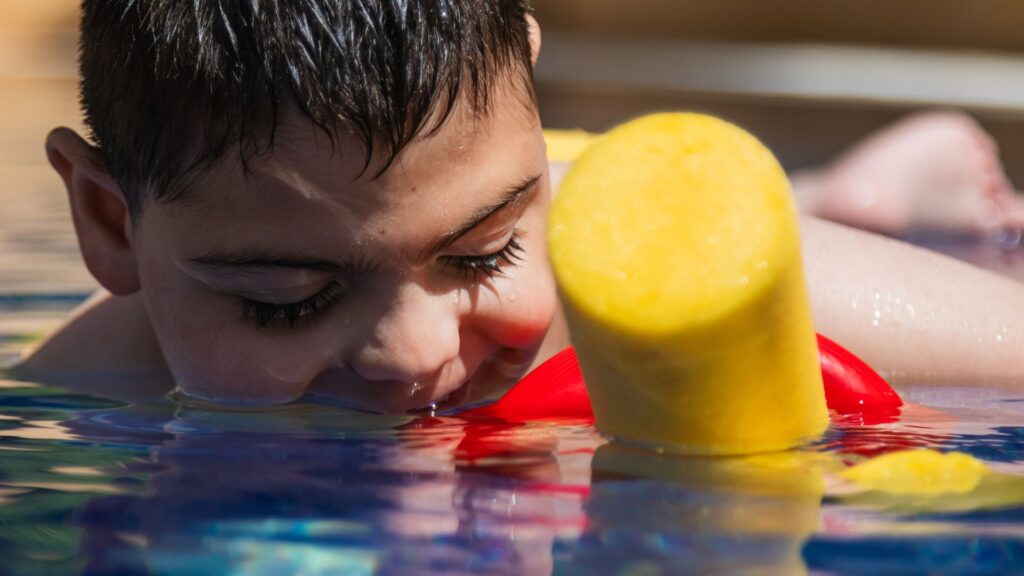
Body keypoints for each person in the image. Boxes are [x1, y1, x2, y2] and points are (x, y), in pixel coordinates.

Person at [12, 1, 1024, 411]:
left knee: (715, 221)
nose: (411, 357)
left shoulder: (640, 289)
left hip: (603, 196)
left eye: (479, 258)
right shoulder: (99, 376)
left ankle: (859, 193)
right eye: (286, 300)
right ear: (112, 225)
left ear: (525, 110)